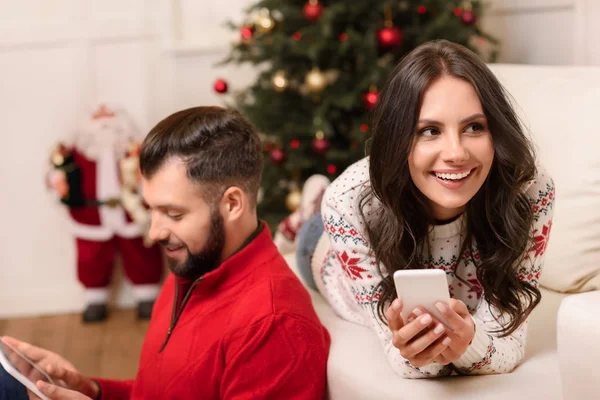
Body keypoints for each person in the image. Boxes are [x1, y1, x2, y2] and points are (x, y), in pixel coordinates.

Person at [3, 106, 330, 399]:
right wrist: (93, 390)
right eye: (151, 210)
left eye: (174, 214)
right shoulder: (193, 265)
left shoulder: (273, 327)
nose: (154, 232)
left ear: (232, 204)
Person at [296, 39, 555, 378]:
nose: (456, 153)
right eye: (429, 131)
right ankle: (307, 206)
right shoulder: (347, 202)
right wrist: (427, 351)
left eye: (474, 127)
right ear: (398, 139)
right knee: (309, 228)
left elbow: (509, 346)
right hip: (323, 251)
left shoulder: (529, 191)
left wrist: (468, 343)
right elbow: (406, 360)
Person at [46, 104, 164, 322]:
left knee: (141, 253)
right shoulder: (73, 152)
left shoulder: (135, 150)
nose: (104, 121)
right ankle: (95, 298)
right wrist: (57, 182)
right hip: (91, 216)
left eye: (109, 114)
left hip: (130, 212)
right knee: (91, 257)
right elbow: (56, 174)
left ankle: (147, 295)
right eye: (97, 115)